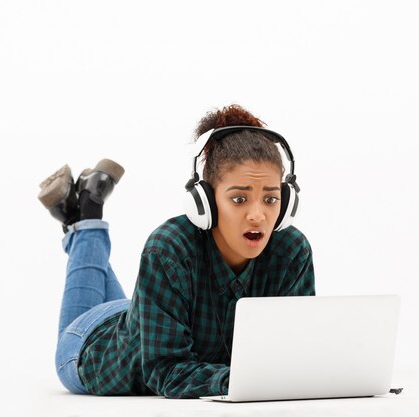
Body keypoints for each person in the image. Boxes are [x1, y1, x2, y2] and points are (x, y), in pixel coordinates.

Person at [38, 104, 316, 399]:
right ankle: (87, 215)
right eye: (238, 199)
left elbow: (292, 358)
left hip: (145, 315)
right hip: (90, 349)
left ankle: (78, 212)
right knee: (74, 331)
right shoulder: (169, 248)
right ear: (205, 201)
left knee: (135, 316)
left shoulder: (291, 252)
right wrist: (247, 381)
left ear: (286, 204)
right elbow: (166, 371)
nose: (258, 215)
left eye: (271, 200)